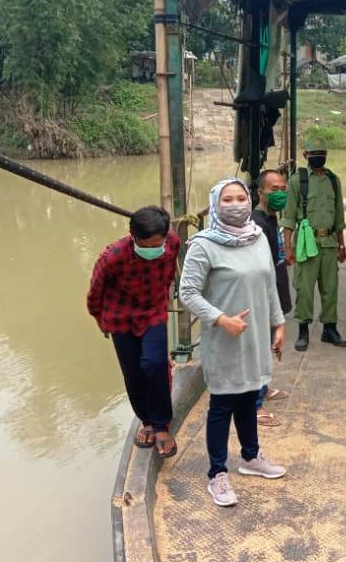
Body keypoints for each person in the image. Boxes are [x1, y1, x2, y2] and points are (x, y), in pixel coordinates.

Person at [179, 178, 287, 508]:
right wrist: (221, 318)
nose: (236, 204)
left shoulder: (257, 237)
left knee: (249, 398)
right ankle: (217, 474)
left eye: (241, 197)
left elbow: (270, 282)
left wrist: (278, 321)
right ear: (215, 204)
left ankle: (251, 457)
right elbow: (187, 293)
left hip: (254, 335)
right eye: (228, 199)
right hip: (223, 339)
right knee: (223, 405)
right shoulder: (203, 245)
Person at [87, 206, 180, 460]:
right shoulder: (113, 256)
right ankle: (147, 421)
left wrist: (166, 295)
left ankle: (161, 425)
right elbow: (95, 290)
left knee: (155, 364)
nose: (153, 250)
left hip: (153, 311)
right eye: (146, 245)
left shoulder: (172, 242)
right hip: (120, 316)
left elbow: (170, 270)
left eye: (157, 245)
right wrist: (99, 318)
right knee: (133, 371)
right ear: (133, 236)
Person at [281, 137, 346, 351]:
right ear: (305, 156)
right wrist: (288, 248)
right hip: (306, 243)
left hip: (329, 243)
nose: (318, 157)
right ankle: (303, 331)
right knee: (305, 289)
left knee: (330, 289)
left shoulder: (333, 180)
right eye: (314, 154)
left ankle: (330, 329)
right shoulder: (296, 181)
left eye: (322, 153)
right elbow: (289, 218)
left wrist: (342, 245)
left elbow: (339, 217)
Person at [251, 169, 293, 427]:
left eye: (283, 189)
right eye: (273, 189)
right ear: (260, 192)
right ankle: (255, 406)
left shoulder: (271, 218)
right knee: (259, 350)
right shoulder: (256, 222)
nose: (279, 194)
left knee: (267, 349)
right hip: (265, 296)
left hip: (276, 290)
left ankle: (263, 389)